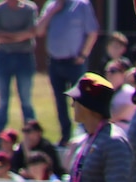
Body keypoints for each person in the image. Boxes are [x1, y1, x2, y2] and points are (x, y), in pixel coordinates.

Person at [36, 0, 99, 146]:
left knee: (80, 100)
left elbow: (92, 32)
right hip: (55, 62)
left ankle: (84, 134)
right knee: (60, 101)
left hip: (75, 62)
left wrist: (83, 55)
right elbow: (39, 30)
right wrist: (52, 11)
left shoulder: (82, 5)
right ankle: (65, 136)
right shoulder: (51, 5)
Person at [0, 0, 38, 139]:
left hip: (24, 57)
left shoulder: (29, 9)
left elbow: (32, 32)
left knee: (26, 100)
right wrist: (18, 36)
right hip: (3, 57)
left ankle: (32, 134)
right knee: (3, 100)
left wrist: (5, 35)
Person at [103, 58, 135, 130]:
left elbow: (113, 117)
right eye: (106, 71)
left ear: (123, 74)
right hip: (109, 131)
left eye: (113, 71)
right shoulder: (106, 92)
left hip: (125, 133)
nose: (109, 74)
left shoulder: (129, 92)